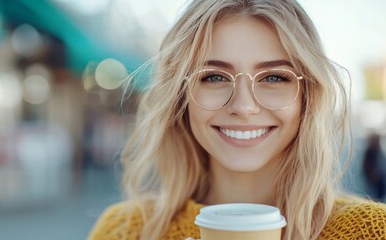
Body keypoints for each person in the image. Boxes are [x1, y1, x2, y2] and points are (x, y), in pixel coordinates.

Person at [88, 0, 386, 239]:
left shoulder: (372, 231)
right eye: (214, 77)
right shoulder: (124, 231)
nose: (243, 106)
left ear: (307, 95)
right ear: (180, 96)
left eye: (273, 77)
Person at [363, 133, 386, 201]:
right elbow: (366, 166)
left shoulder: (379, 150)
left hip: (379, 180)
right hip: (373, 180)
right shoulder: (370, 151)